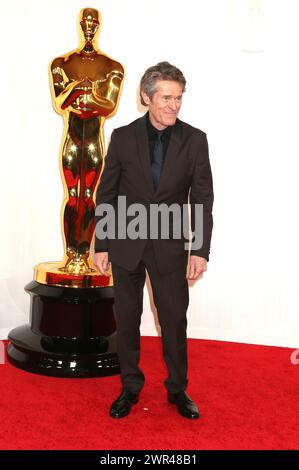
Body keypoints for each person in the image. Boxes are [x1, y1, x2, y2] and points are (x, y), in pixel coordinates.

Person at [93, 61, 213, 419]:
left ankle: (178, 389)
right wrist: (102, 242)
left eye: (178, 98)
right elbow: (107, 193)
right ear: (146, 97)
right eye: (166, 97)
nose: (173, 105)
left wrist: (199, 249)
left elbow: (203, 199)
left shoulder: (195, 140)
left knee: (174, 319)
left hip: (170, 245)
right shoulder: (123, 137)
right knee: (127, 318)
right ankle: (130, 387)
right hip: (126, 242)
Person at [49, 7, 124, 274]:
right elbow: (61, 103)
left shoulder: (112, 67)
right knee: (72, 195)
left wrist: (85, 96)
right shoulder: (62, 63)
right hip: (72, 139)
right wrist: (78, 90)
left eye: (94, 21)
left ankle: (85, 254)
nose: (89, 25)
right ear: (80, 25)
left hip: (93, 140)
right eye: (85, 21)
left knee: (89, 196)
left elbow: (109, 106)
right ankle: (72, 256)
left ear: (99, 25)